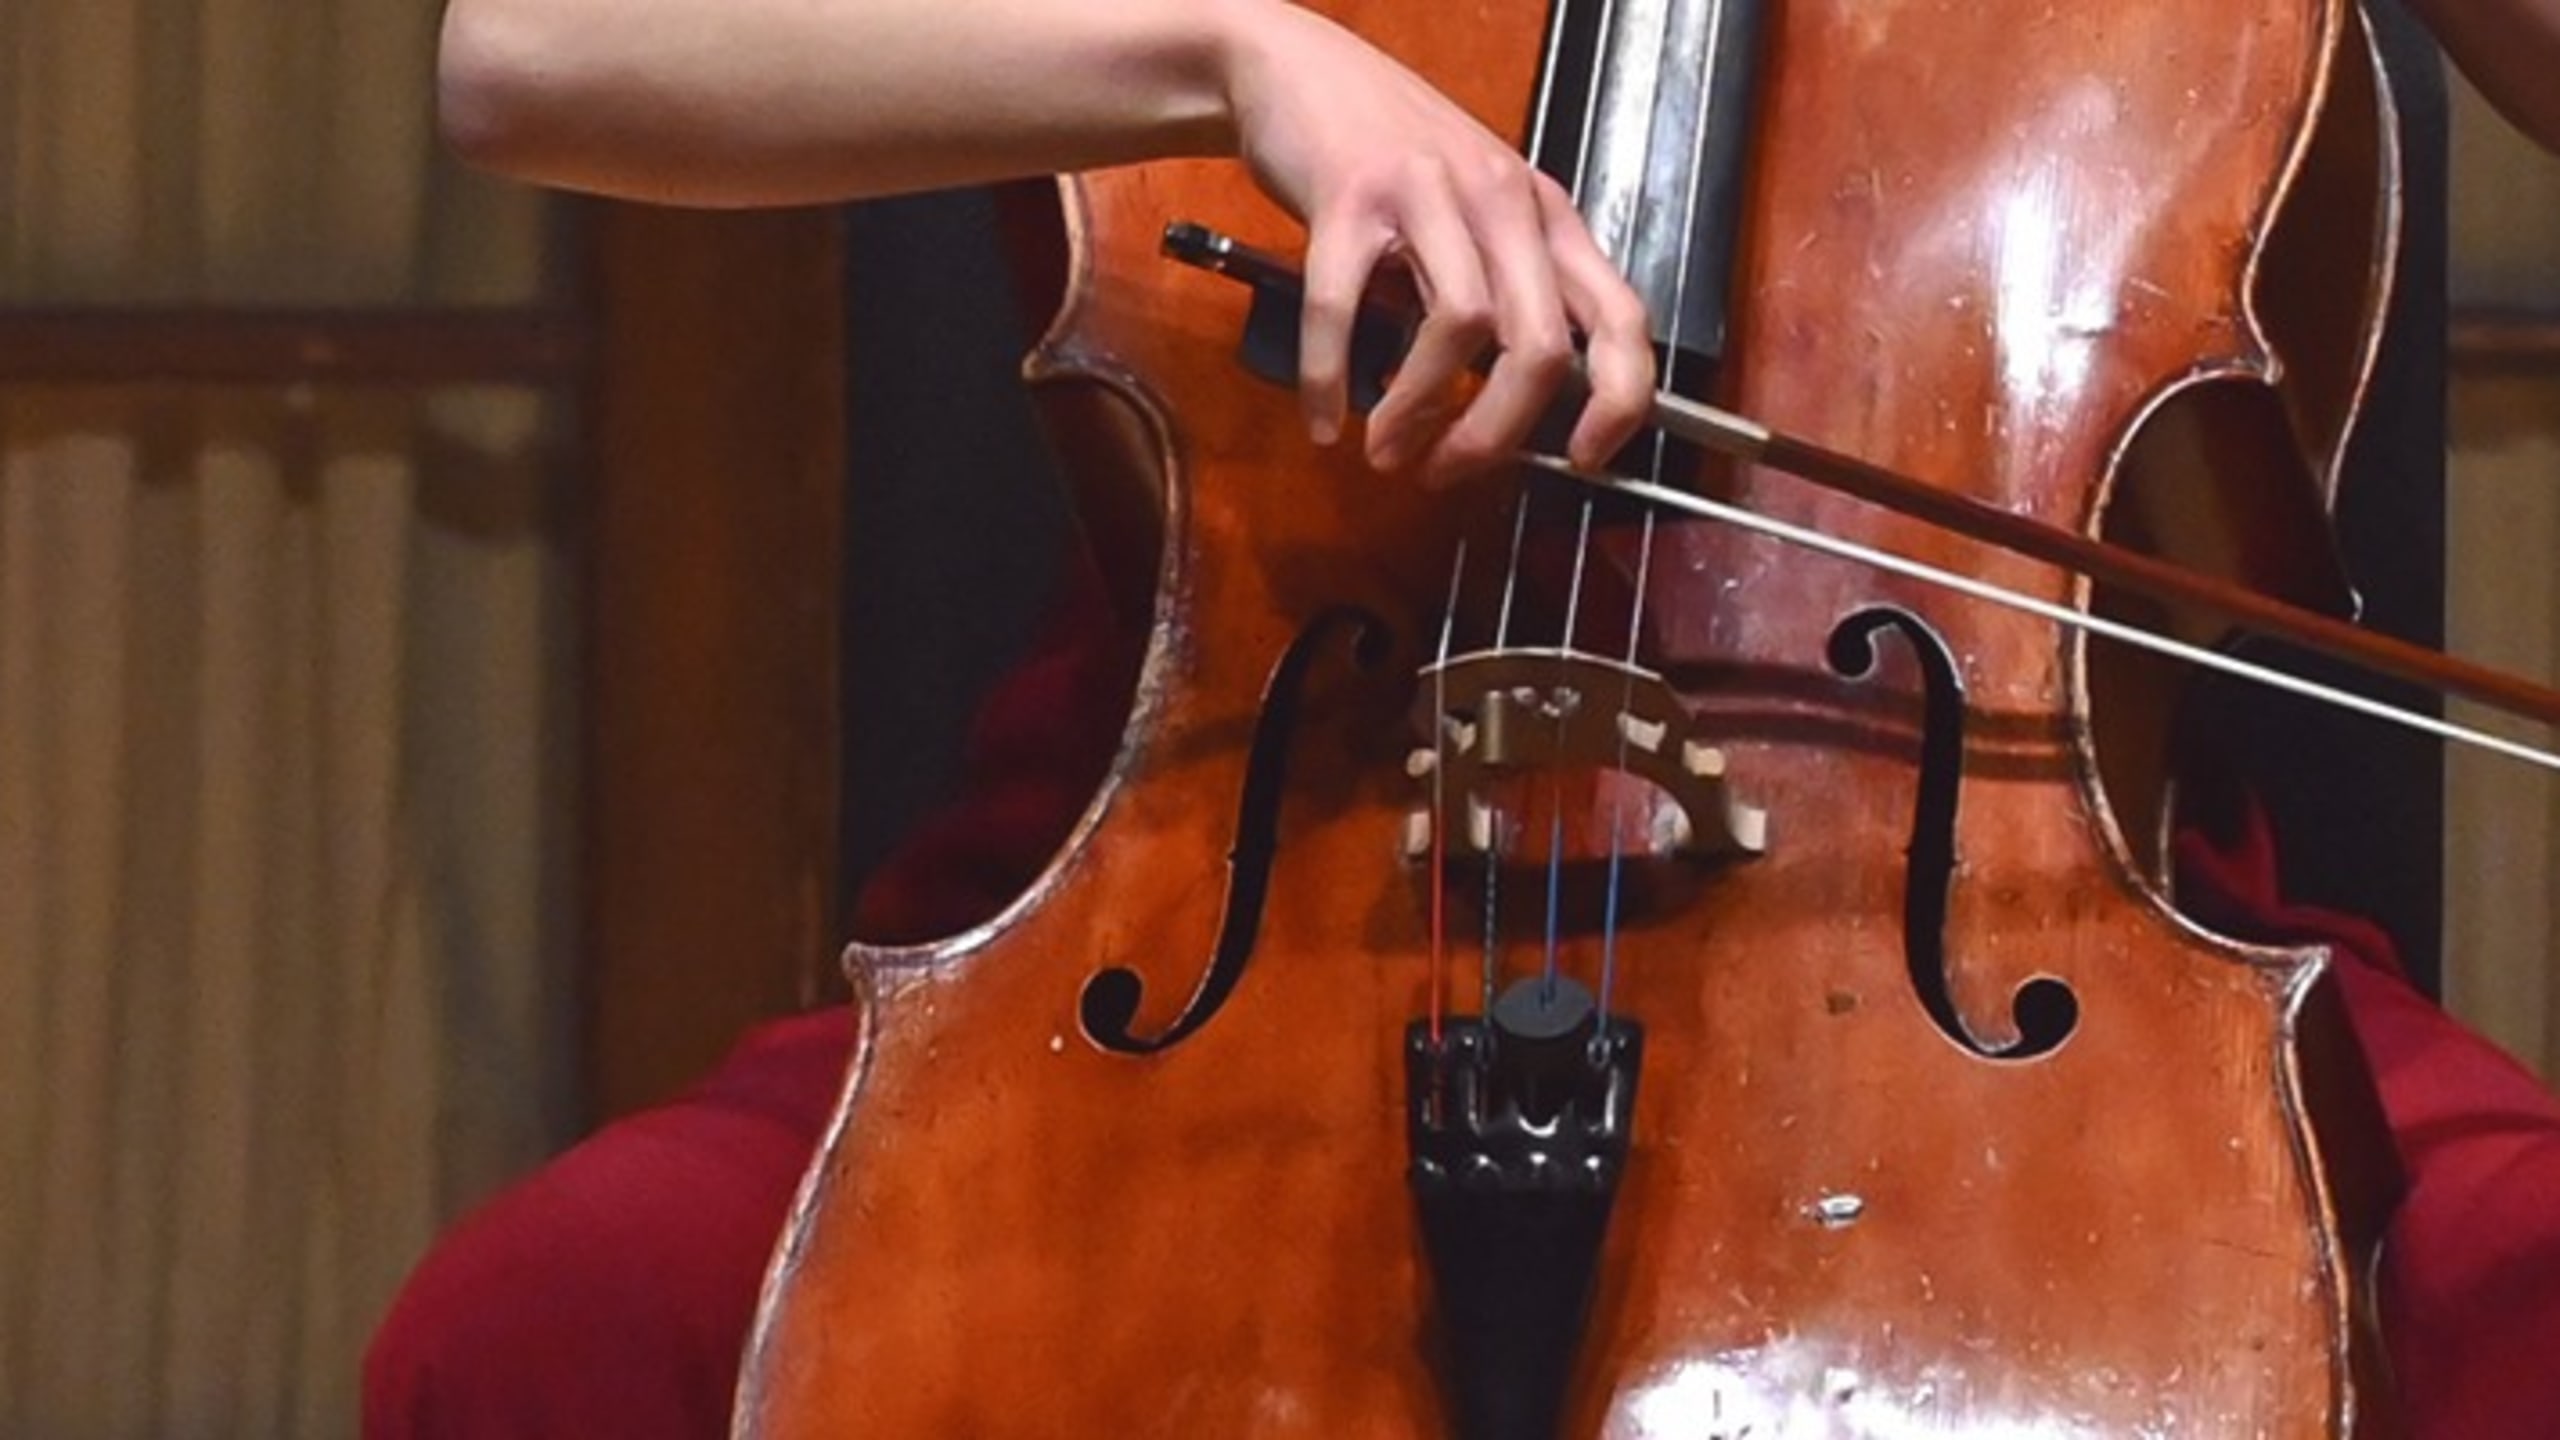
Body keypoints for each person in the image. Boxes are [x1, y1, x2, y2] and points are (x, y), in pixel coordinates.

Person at [374, 0, 2560, 1435]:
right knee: (536, 1338)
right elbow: (536, 55)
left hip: (2002, 893)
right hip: (1250, 827)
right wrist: (1225, 53)